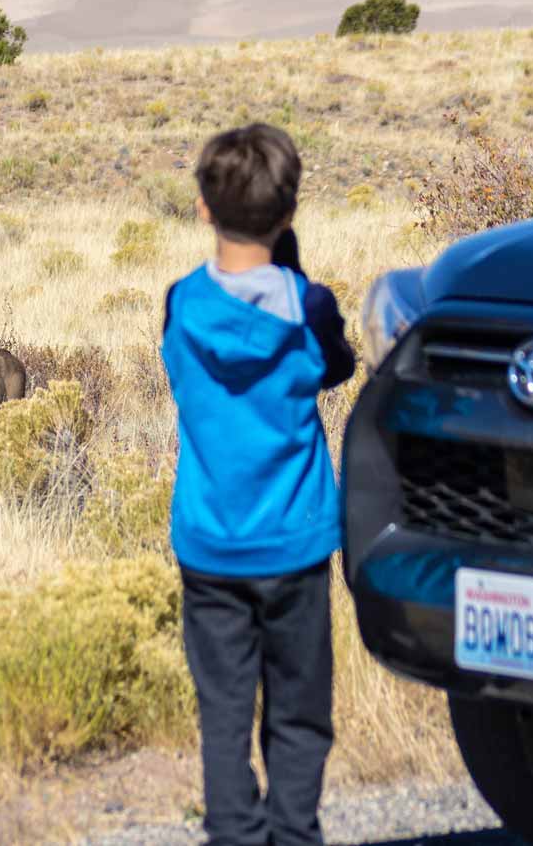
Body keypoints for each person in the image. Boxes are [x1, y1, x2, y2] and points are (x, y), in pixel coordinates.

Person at [160, 123, 355, 846]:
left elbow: (181, 374)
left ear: (204, 208)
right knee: (298, 715)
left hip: (210, 544)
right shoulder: (309, 308)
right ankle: (294, 835)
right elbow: (335, 367)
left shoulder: (181, 305)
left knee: (223, 713)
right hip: (294, 543)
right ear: (288, 213)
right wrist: (297, 277)